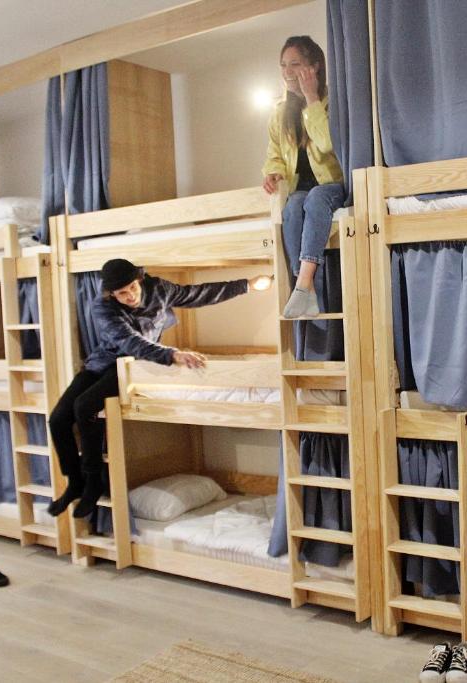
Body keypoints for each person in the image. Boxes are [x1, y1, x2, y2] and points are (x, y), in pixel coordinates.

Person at [46, 258, 272, 519]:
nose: (130, 296)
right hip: (106, 362)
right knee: (58, 419)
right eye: (122, 293)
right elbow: (130, 341)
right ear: (111, 294)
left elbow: (196, 294)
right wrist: (172, 354)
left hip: (135, 366)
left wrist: (246, 285)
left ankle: (93, 483)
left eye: (132, 288)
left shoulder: (159, 289)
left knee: (85, 406)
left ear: (139, 280)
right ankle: (75, 482)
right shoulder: (103, 307)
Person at [262, 35, 345, 319]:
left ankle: (303, 284)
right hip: (301, 190)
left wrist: (311, 99)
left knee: (315, 198)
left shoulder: (332, 101)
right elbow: (275, 152)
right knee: (294, 205)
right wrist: (273, 173)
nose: (287, 71)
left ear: (315, 67)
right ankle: (304, 287)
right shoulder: (280, 112)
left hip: (332, 185)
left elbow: (327, 144)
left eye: (295, 64)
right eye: (283, 65)